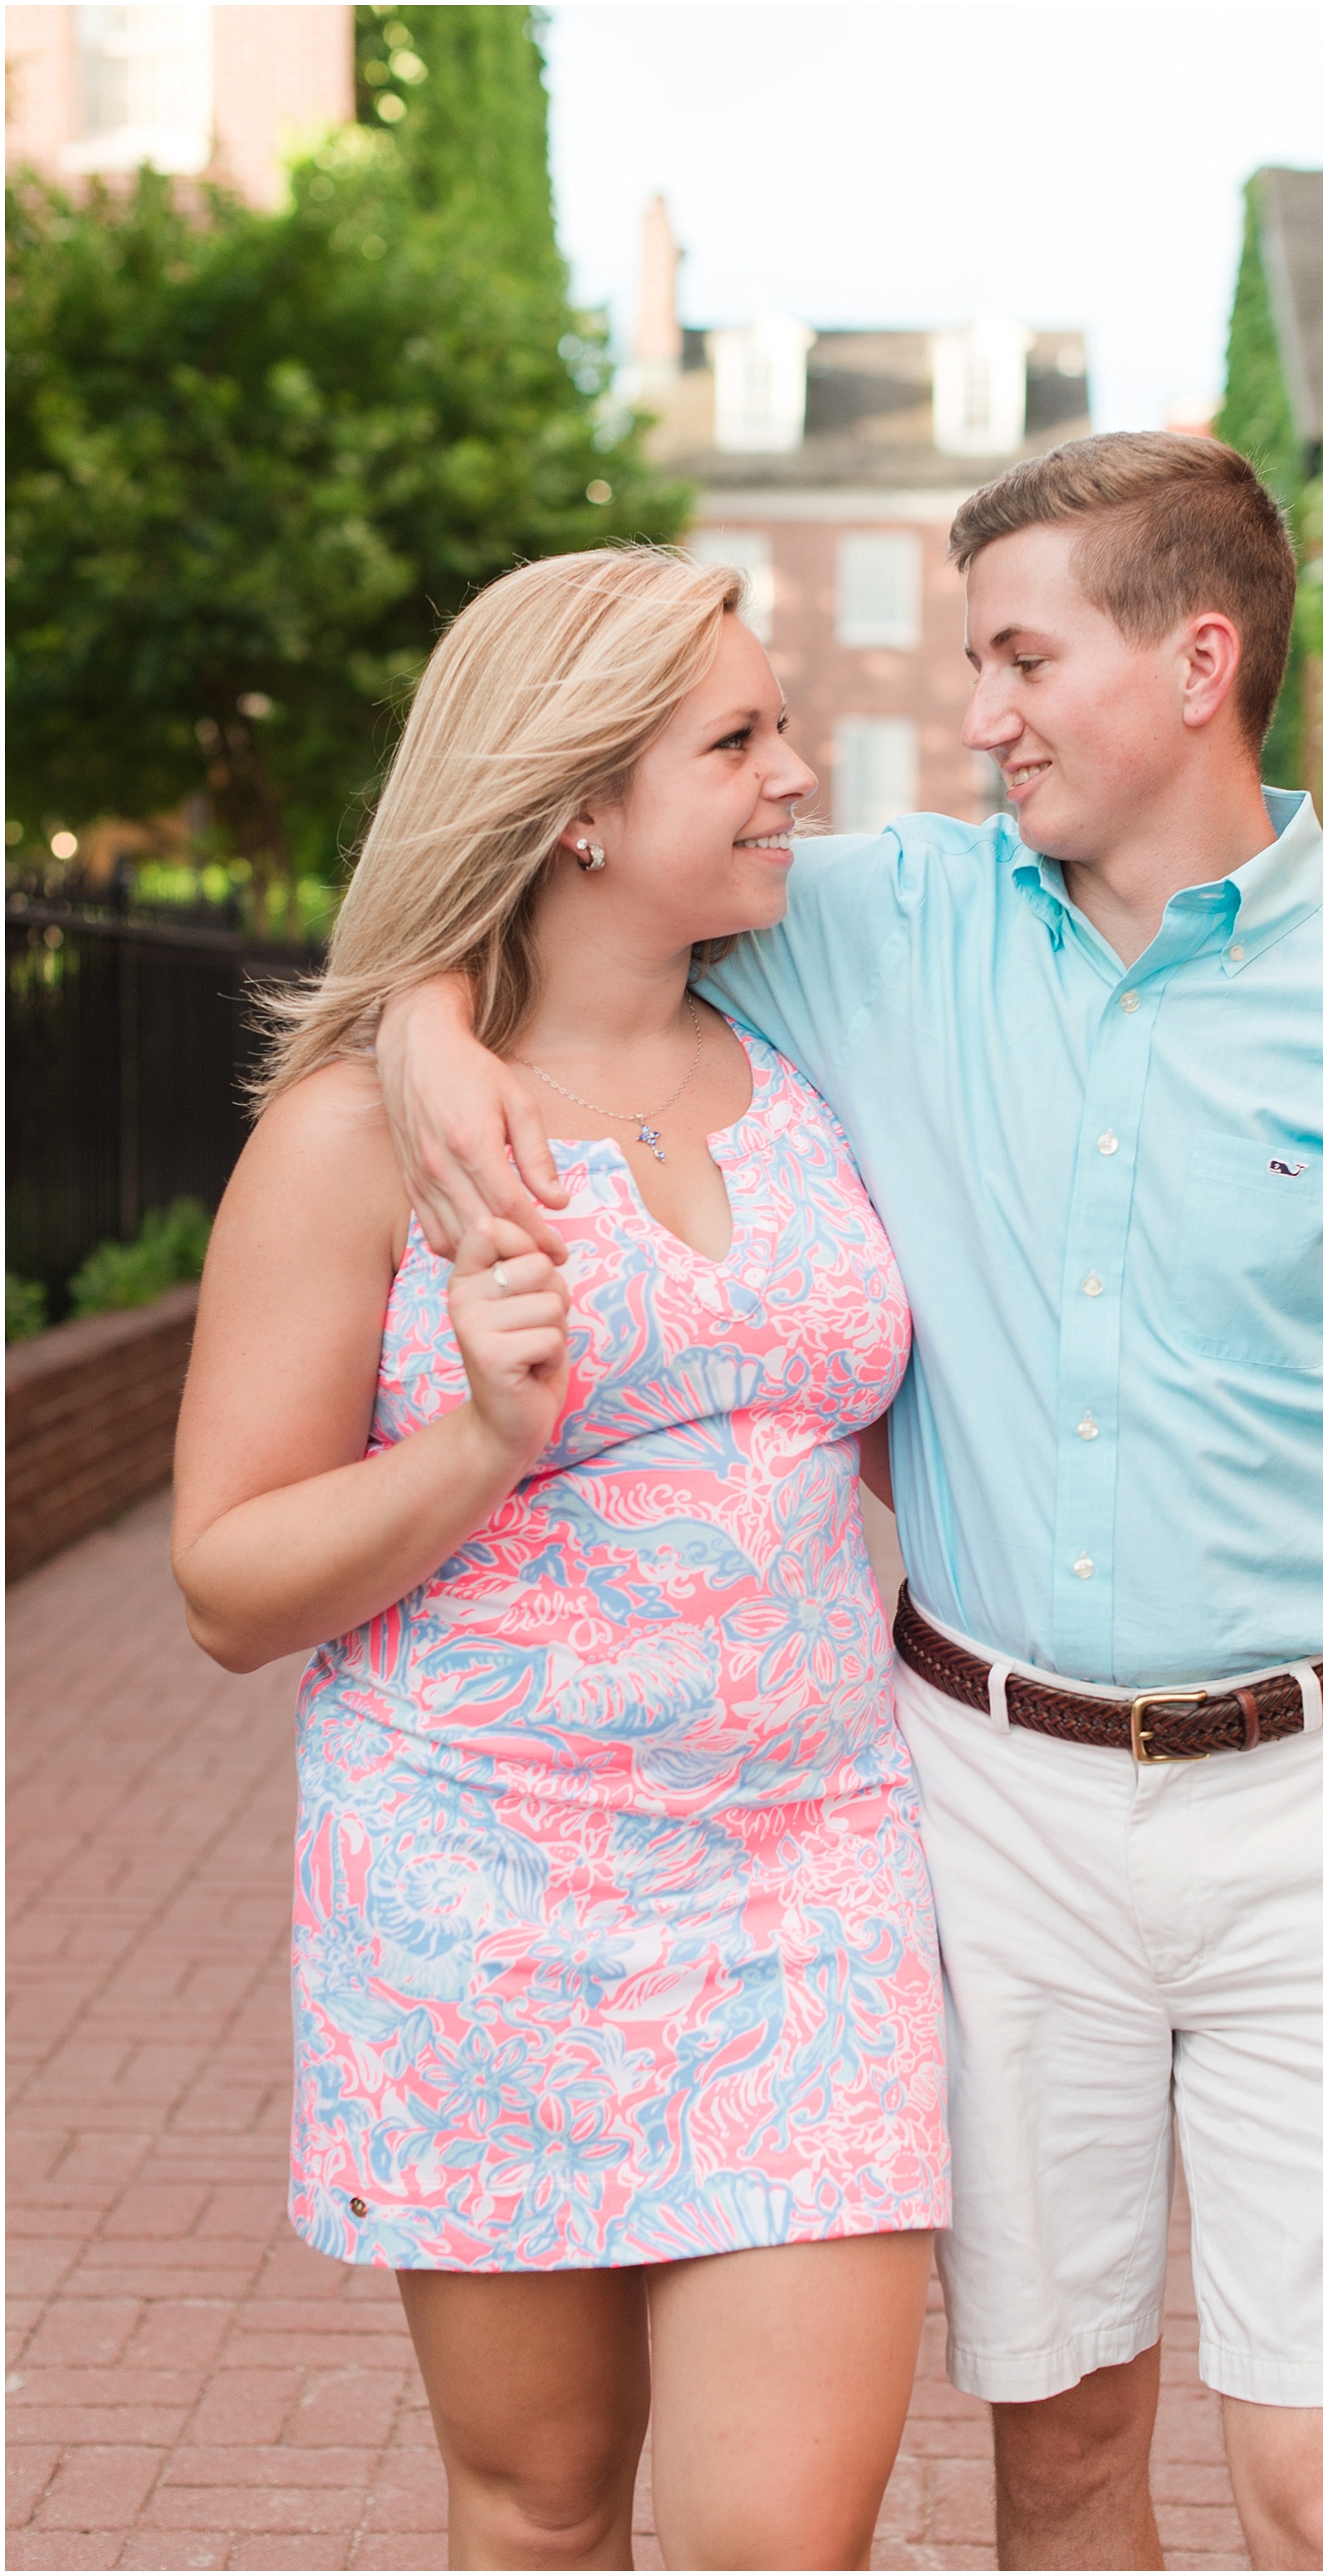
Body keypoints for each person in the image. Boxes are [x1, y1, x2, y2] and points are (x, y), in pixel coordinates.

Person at [378, 435, 1323, 2574]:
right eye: (971, 660)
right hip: (986, 1804)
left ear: (1196, 660)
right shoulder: (877, 928)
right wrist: (410, 1027)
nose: (976, 717)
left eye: (1021, 657)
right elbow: (547, 899)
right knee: (1058, 2458)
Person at [171, 548, 951, 2574]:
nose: (794, 775)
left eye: (779, 726)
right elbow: (227, 1585)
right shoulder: (366, 1135)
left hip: (812, 1887)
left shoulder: (815, 1071)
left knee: (784, 2539)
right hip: (475, 1893)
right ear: (577, 804)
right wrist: (479, 1444)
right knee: (536, 2507)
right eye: (737, 739)